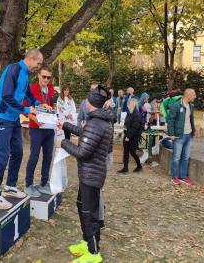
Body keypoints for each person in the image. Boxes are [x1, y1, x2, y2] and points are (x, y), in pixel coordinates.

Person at [0, 49, 49, 210]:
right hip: (2, 117)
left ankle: (10, 187)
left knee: (18, 152)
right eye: (38, 63)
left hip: (14, 119)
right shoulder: (13, 69)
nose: (39, 66)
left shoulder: (26, 74)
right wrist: (28, 111)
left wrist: (38, 104)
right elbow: (7, 97)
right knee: (2, 156)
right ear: (30, 58)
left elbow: (27, 95)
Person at [58, 85, 112, 263]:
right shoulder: (98, 120)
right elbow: (85, 133)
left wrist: (63, 143)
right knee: (82, 205)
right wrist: (65, 125)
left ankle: (94, 253)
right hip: (89, 174)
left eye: (87, 99)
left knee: (89, 212)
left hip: (91, 176)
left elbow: (82, 152)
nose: (85, 101)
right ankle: (87, 242)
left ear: (90, 102)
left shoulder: (96, 122)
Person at [24, 65, 56, 197]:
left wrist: (54, 117)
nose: (46, 79)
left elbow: (53, 107)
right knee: (34, 156)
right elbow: (26, 109)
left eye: (48, 77)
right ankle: (28, 185)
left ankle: (44, 183)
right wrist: (34, 119)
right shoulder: (31, 89)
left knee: (48, 156)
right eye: (44, 76)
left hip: (49, 129)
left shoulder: (52, 89)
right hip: (36, 128)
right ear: (38, 75)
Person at [167, 89, 196, 186]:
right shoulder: (176, 105)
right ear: (188, 95)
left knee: (186, 158)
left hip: (189, 135)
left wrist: (194, 130)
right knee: (176, 157)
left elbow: (191, 119)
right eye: (194, 95)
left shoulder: (191, 106)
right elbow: (170, 120)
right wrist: (171, 133)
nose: (195, 97)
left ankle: (183, 177)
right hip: (179, 135)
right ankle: (174, 177)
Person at [117, 98, 143, 174]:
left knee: (132, 151)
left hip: (134, 136)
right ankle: (125, 168)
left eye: (130, 104)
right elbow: (126, 123)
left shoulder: (137, 114)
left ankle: (139, 165)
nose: (128, 106)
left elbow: (135, 127)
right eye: (128, 104)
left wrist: (128, 136)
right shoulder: (129, 113)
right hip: (127, 134)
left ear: (134, 104)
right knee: (125, 151)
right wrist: (124, 130)